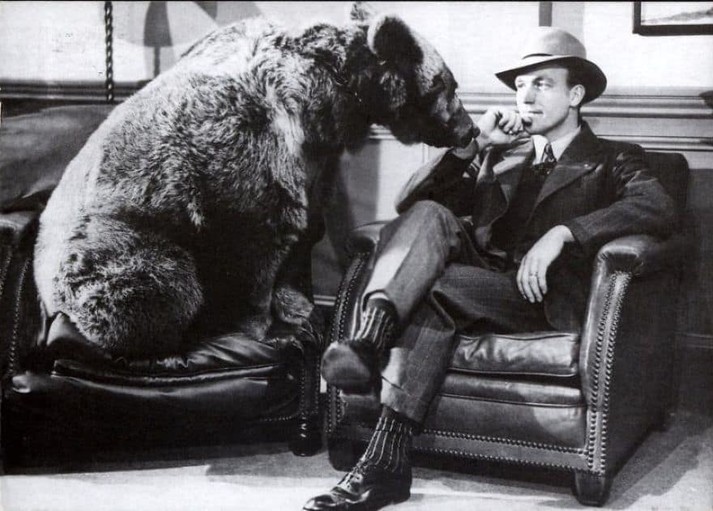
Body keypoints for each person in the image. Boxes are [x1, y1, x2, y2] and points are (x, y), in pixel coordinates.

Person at [303, 27, 676, 511]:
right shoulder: (503, 154)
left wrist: (565, 233)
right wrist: (475, 144)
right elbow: (410, 206)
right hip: (480, 279)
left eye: (542, 83)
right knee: (432, 218)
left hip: (540, 296)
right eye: (520, 85)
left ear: (575, 95)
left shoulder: (612, 158)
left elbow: (657, 205)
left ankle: (383, 457)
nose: (526, 96)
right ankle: (369, 349)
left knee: (434, 290)